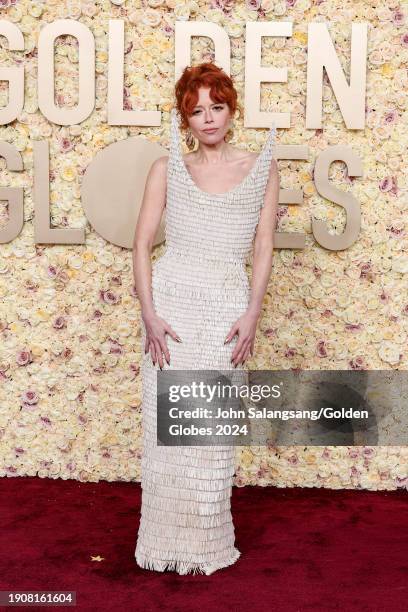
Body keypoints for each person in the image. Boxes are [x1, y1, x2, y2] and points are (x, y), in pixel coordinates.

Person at [132, 62, 279, 575]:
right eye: (197, 111)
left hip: (225, 304)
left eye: (217, 107)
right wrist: (149, 313)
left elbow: (263, 244)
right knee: (166, 433)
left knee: (211, 434)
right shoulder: (166, 169)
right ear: (184, 119)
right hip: (172, 305)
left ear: (231, 109)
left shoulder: (261, 167)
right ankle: (163, 544)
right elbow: (143, 243)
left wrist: (253, 311)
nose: (209, 119)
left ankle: (205, 545)